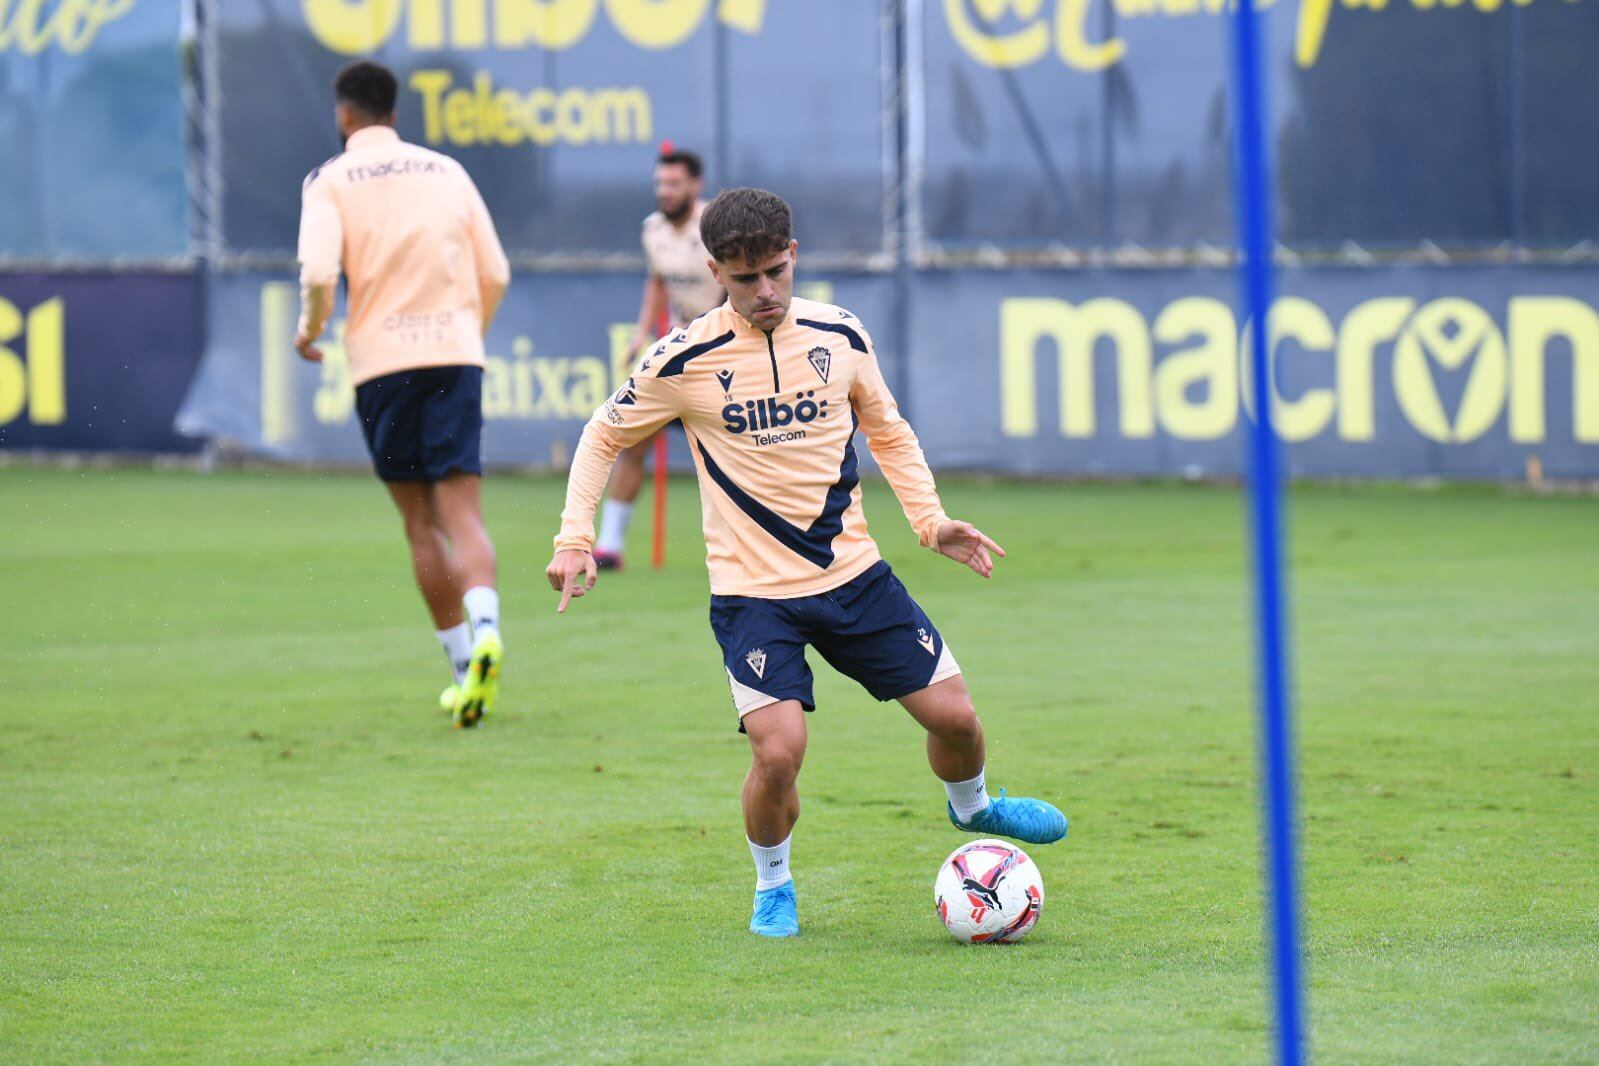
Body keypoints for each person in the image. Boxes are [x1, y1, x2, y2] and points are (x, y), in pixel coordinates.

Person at [545, 188, 1067, 937]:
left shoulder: (839, 334)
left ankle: (973, 804)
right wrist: (574, 535)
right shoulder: (684, 358)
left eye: (774, 273)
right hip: (753, 595)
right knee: (780, 751)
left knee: (957, 720)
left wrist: (927, 521)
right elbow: (602, 434)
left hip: (854, 578)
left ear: (793, 255)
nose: (763, 293)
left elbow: (886, 429)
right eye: (743, 277)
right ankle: (773, 884)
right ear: (715, 270)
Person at [295, 60, 511, 728]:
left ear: (344, 114)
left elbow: (318, 273)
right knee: (464, 517)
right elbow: (494, 271)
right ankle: (486, 631)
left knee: (420, 525)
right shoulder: (446, 170)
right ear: (394, 110)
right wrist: (465, 334)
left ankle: (458, 668)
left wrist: (309, 332)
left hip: (382, 362)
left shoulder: (328, 180)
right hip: (454, 352)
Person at [592, 149, 724, 570]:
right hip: (677, 350)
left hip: (722, 348)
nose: (665, 192)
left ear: (694, 185)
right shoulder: (652, 230)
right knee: (632, 439)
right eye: (660, 184)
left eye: (674, 184)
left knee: (735, 449)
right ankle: (610, 545)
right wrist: (641, 332)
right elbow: (656, 283)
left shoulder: (716, 228)